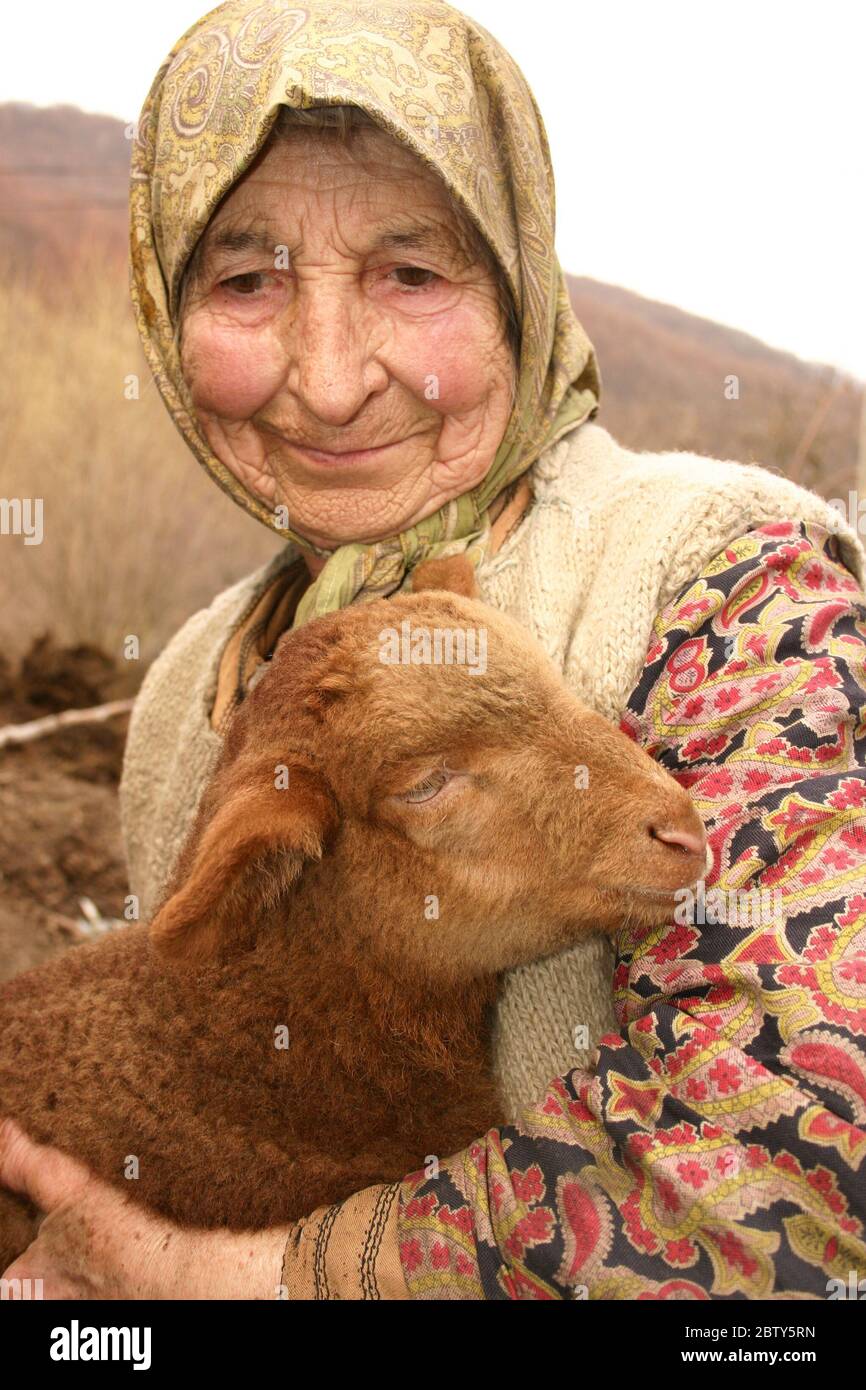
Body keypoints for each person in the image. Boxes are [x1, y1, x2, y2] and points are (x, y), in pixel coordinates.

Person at [2, 0, 864, 1299]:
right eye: (246, 280)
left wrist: (246, 1277)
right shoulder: (197, 678)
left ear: (517, 281)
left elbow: (798, 1190)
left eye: (413, 272)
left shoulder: (728, 579)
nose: (333, 372)